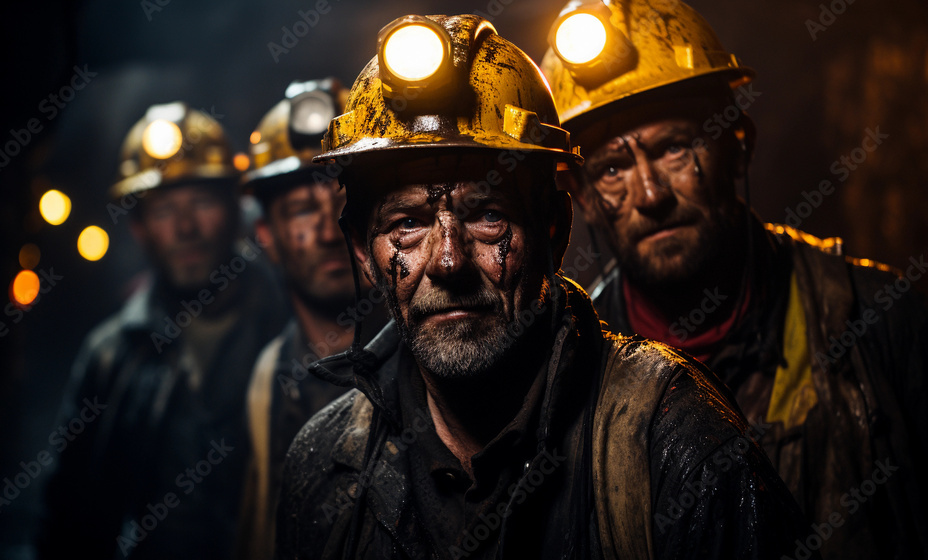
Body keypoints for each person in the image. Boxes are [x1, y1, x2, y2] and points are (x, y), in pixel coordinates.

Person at [275, 14, 809, 559]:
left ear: (554, 229)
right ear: (365, 252)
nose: (449, 260)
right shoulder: (325, 467)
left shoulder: (674, 436)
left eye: (487, 215)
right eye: (406, 225)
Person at [540, 1, 928, 558]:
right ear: (582, 200)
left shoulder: (878, 322)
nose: (650, 196)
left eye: (673, 149)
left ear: (736, 148)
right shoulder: (570, 372)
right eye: (611, 168)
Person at [37, 102, 290, 560]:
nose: (185, 228)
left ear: (236, 209)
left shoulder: (294, 323)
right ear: (139, 228)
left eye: (201, 202)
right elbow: (70, 518)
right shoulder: (113, 354)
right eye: (164, 210)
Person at [237, 79, 386, 558]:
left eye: (347, 203)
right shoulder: (267, 377)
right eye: (302, 210)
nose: (329, 230)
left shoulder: (436, 350)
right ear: (267, 235)